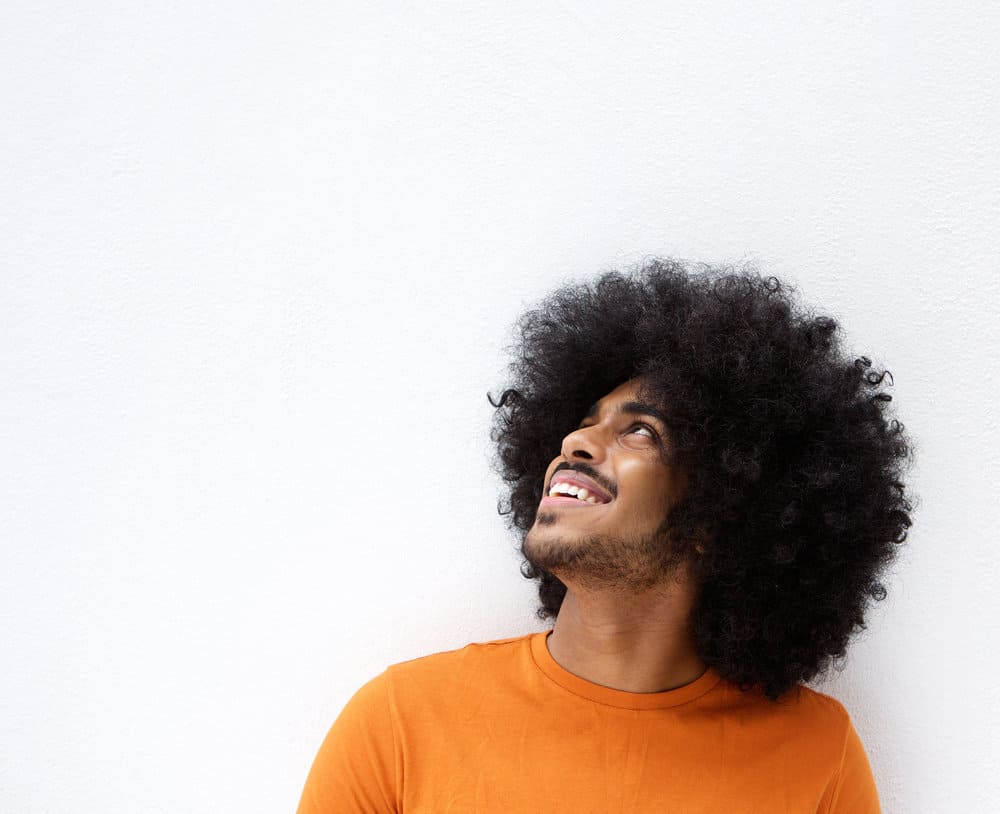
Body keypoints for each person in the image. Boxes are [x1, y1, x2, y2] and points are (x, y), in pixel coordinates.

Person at [296, 259, 915, 813]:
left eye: (641, 431)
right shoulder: (402, 722)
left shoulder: (816, 754)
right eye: (583, 422)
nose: (573, 442)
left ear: (716, 512)